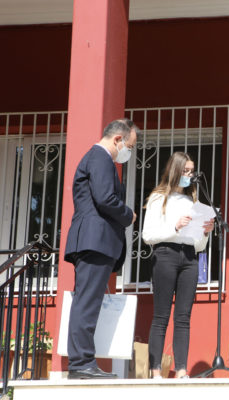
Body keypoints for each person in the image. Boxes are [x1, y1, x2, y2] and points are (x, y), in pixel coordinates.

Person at [64, 118, 139, 379]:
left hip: (95, 241)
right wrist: (128, 215)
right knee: (87, 303)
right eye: (130, 146)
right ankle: (81, 363)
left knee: (88, 302)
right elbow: (105, 198)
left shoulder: (98, 158)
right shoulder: (100, 157)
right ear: (118, 139)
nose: (129, 152)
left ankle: (82, 362)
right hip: (94, 241)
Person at [142, 152, 215, 379]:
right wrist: (175, 227)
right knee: (161, 316)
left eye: (191, 171)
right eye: (186, 171)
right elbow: (148, 236)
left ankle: (182, 369)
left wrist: (205, 233)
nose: (189, 175)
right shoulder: (158, 198)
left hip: (189, 257)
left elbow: (199, 245)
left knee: (183, 317)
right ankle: (156, 370)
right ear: (175, 171)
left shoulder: (193, 201)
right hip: (165, 255)